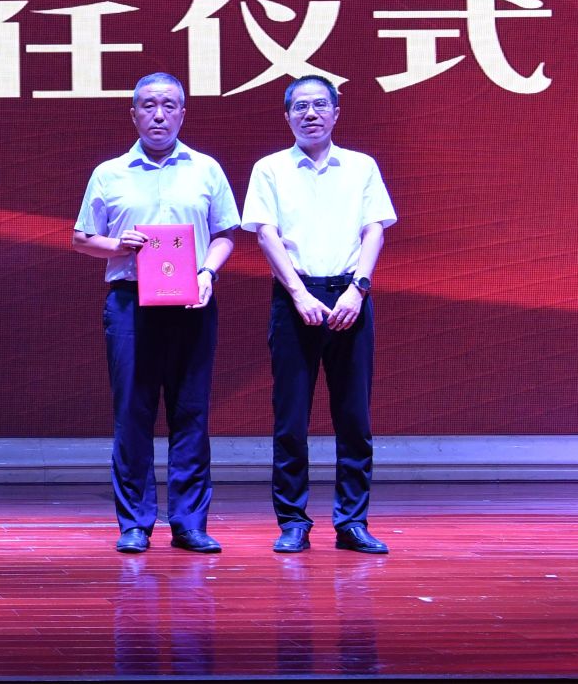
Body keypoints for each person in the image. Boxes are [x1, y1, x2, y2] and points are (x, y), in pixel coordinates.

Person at [72, 73, 238, 554]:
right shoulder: (110, 173)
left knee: (191, 413)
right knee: (132, 414)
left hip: (192, 302)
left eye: (168, 105)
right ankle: (135, 523)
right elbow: (82, 239)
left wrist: (207, 271)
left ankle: (189, 523)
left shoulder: (206, 169)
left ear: (183, 112)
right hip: (130, 302)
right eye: (148, 105)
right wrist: (117, 246)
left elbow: (226, 233)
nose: (158, 114)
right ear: (133, 114)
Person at [241, 75, 395, 554]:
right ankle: (292, 521)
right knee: (290, 419)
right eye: (300, 107)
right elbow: (265, 234)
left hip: (351, 297)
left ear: (336, 112)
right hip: (295, 298)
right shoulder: (270, 168)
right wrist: (298, 294)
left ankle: (352, 522)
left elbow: (375, 229)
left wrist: (358, 289)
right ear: (287, 115)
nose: (311, 114)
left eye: (320, 105)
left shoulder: (361, 166)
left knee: (354, 418)